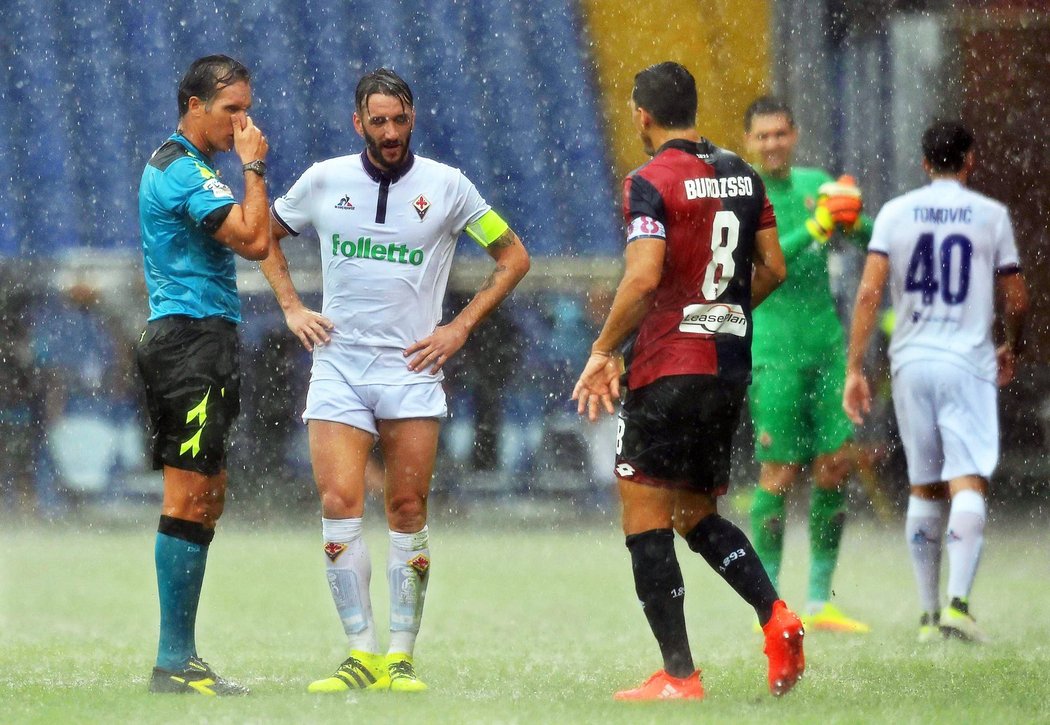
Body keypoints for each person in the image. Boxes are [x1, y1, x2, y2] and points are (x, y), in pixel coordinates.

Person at [262, 68, 530, 693]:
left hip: (411, 368)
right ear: (357, 123)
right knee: (338, 502)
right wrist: (292, 308)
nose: (389, 132)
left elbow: (513, 256)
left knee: (407, 508)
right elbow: (263, 238)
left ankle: (400, 656)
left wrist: (459, 327)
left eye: (399, 120)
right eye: (377, 121)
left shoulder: (449, 187)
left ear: (414, 119)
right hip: (339, 364)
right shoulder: (324, 180)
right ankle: (359, 652)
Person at [572, 62, 803, 701]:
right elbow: (774, 268)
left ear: (643, 116)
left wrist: (603, 348)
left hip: (670, 368)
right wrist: (717, 315)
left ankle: (679, 675)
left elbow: (644, 278)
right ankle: (776, 614)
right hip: (727, 370)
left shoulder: (648, 181)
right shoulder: (744, 174)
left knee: (643, 509)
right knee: (695, 512)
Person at [843, 120, 1028, 643]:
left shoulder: (895, 214)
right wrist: (1013, 344)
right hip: (965, 361)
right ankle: (958, 607)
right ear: (969, 159)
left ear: (924, 163)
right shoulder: (991, 217)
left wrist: (855, 369)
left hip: (911, 362)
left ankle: (927, 615)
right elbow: (1018, 299)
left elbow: (867, 295)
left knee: (924, 483)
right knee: (967, 477)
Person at [136, 54, 270, 695]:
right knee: (188, 494)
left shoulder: (190, 168)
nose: (242, 121)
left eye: (246, 108)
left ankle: (181, 657)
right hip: (188, 342)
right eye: (231, 110)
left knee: (207, 494)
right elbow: (252, 238)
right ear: (194, 105)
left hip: (205, 341)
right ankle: (173, 661)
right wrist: (254, 166)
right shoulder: (180, 169)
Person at [742, 95, 873, 633]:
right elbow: (762, 263)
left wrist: (852, 218)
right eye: (762, 136)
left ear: (794, 135)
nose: (772, 143)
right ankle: (767, 608)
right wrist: (816, 228)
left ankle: (819, 602)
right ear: (749, 142)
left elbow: (870, 242)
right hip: (772, 350)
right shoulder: (743, 194)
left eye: (780, 133)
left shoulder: (817, 183)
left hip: (826, 346)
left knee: (837, 463)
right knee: (778, 472)